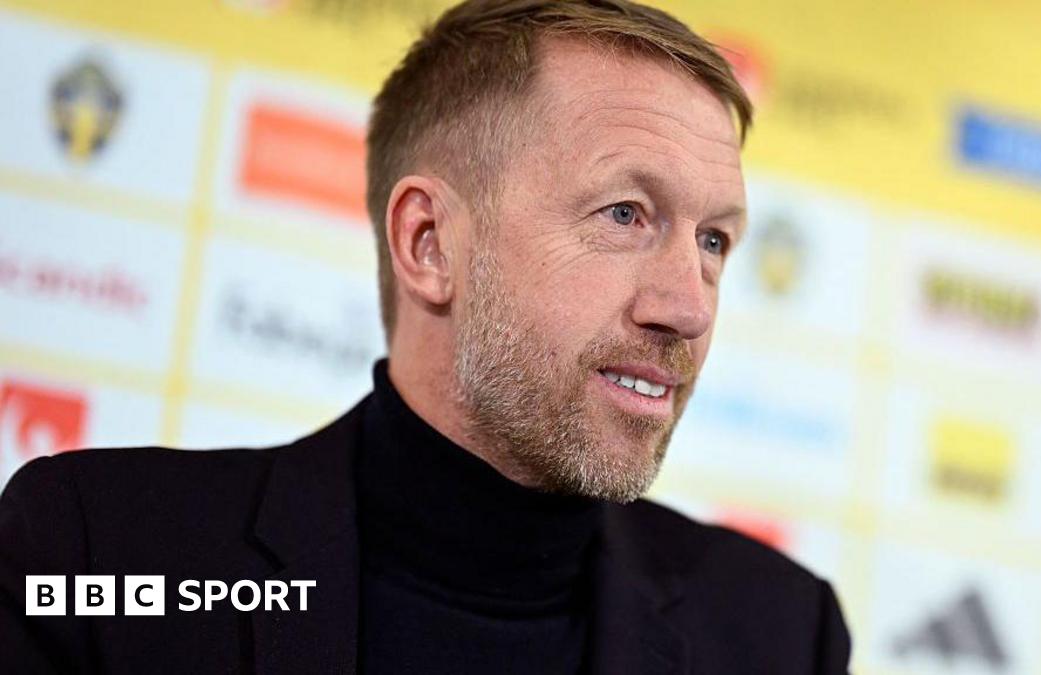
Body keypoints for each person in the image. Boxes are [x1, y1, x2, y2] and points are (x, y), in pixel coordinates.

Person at [0, 0, 851, 672]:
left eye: (714, 240)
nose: (690, 306)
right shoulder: (99, 554)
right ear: (429, 243)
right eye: (625, 213)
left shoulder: (781, 634)